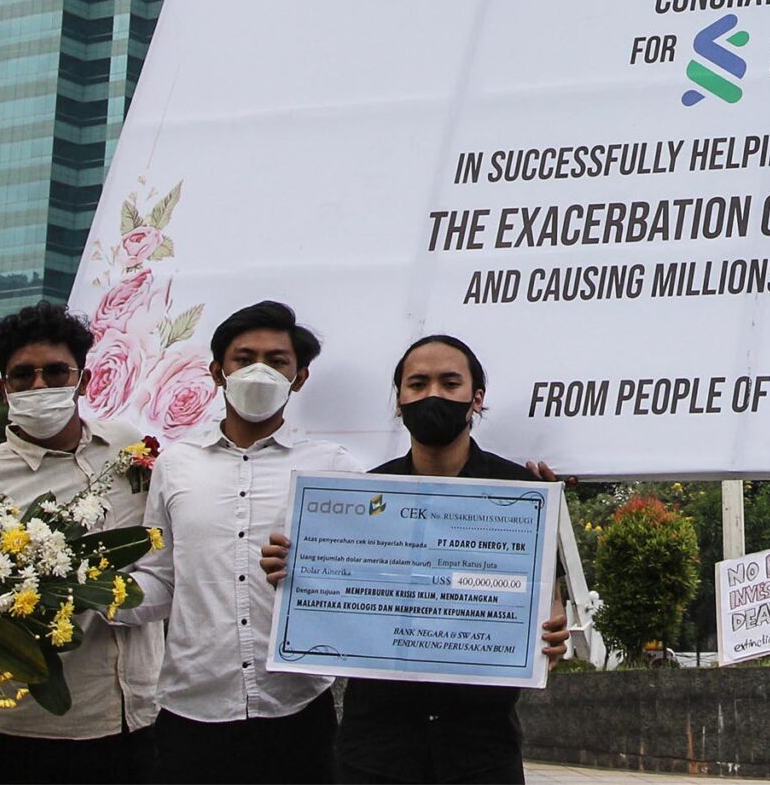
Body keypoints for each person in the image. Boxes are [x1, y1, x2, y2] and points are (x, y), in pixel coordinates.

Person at [262, 333, 570, 783]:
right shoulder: (363, 496)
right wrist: (294, 574)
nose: (433, 396)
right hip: (375, 752)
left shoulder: (523, 497)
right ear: (399, 400)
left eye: (450, 383)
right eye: (418, 384)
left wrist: (549, 640)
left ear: (476, 398)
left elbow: (549, 608)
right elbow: (328, 601)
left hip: (481, 752)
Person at [118, 300, 356, 783]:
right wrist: (87, 594)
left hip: (296, 707)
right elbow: (163, 579)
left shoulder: (333, 468)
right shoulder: (176, 465)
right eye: (244, 359)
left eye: (277, 361)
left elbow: (366, 579)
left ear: (300, 377)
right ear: (217, 372)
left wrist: (322, 572)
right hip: (191, 709)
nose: (259, 372)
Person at [0, 302, 162, 783]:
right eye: (23, 376)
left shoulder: (131, 451)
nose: (40, 386)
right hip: (11, 734)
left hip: (136, 722)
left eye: (56, 372)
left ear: (85, 380)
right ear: (3, 388)